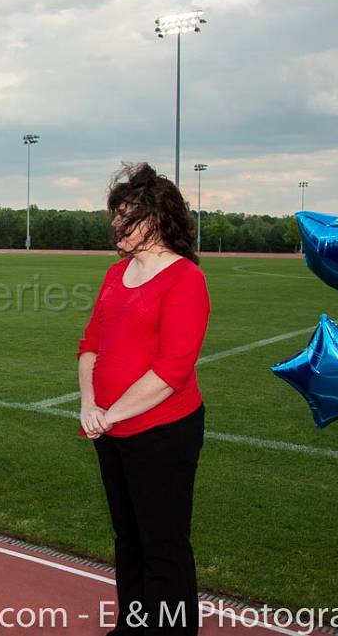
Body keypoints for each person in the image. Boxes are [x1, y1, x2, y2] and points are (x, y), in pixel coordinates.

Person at [77, 163, 210, 636]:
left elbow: (171, 371)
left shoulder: (184, 280)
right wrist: (88, 405)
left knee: (164, 545)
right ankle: (133, 628)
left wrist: (109, 414)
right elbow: (89, 345)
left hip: (162, 433)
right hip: (110, 431)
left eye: (127, 215)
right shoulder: (116, 273)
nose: (117, 224)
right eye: (115, 214)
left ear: (156, 219)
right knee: (128, 539)